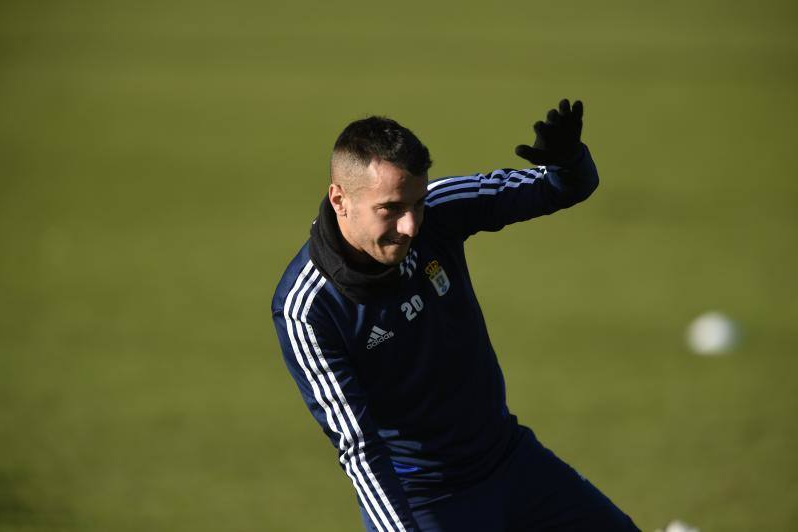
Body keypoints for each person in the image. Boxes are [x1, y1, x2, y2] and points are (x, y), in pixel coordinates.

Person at [271, 100, 639, 531]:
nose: (410, 226)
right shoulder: (308, 308)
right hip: (428, 499)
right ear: (340, 199)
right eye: (390, 208)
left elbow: (561, 188)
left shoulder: (438, 212)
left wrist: (568, 162)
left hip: (512, 461)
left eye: (418, 203)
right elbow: (358, 447)